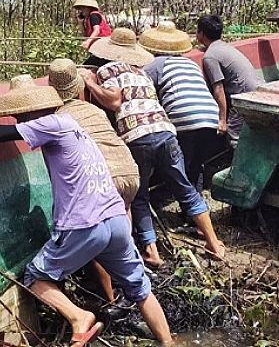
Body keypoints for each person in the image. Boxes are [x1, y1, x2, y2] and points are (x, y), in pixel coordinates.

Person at [0, 75, 172, 346]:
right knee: (140, 289)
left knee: (35, 276)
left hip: (83, 224)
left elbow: (1, 135)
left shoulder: (51, 124)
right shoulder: (73, 126)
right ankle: (169, 342)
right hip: (115, 218)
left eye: (20, 117)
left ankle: (79, 317)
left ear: (30, 111)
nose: (20, 123)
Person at [82, 28, 226, 267]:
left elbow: (114, 101)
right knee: (185, 188)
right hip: (165, 132)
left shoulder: (108, 69)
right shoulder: (141, 72)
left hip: (137, 136)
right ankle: (213, 243)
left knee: (140, 196)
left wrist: (90, 82)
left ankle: (151, 251)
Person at [47, 58, 142, 312]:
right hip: (129, 170)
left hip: (104, 176)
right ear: (79, 88)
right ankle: (133, 287)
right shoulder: (94, 109)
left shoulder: (58, 118)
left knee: (101, 241)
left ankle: (111, 299)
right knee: (122, 237)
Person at [140, 22, 222, 191]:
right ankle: (196, 202)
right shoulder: (191, 63)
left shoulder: (156, 64)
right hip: (211, 115)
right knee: (196, 164)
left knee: (180, 163)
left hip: (185, 117)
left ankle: (187, 203)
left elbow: (140, 83)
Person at [195, 14, 263, 148]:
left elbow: (218, 88)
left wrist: (222, 120)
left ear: (201, 34)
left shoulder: (210, 57)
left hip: (243, 95)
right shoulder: (224, 47)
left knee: (234, 137)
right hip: (257, 90)